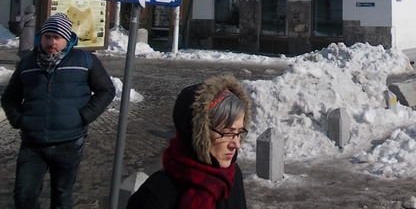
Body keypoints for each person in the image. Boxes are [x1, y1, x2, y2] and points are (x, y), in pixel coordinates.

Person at [1, 13, 115, 208]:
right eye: (47, 37)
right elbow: (9, 97)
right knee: (23, 197)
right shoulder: (28, 63)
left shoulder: (85, 61)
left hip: (69, 142)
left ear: (67, 39)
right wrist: (19, 120)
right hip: (33, 144)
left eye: (57, 37)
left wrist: (83, 116)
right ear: (41, 37)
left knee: (62, 197)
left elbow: (106, 90)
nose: (52, 42)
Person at [128, 74, 251, 209]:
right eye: (227, 132)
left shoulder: (231, 176)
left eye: (239, 132)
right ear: (198, 133)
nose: (236, 144)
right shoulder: (154, 195)